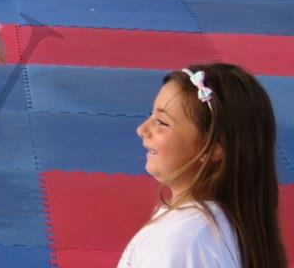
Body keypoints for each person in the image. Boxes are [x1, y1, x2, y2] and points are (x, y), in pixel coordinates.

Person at [119, 63, 286, 268]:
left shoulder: (178, 242)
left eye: (162, 122)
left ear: (214, 147)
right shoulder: (221, 226)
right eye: (151, 115)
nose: (142, 129)